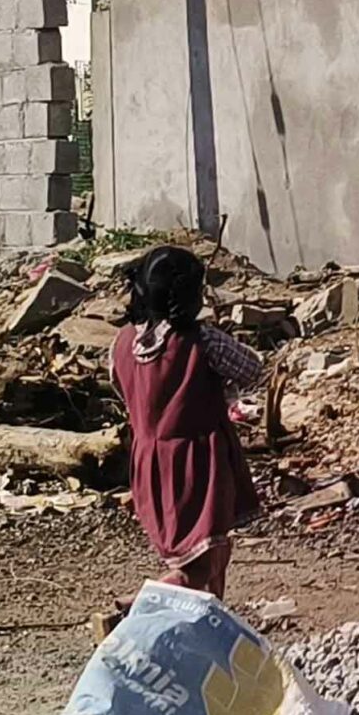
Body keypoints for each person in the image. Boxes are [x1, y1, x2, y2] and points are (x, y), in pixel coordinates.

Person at [111, 246, 265, 599]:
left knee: (212, 548)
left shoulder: (120, 344)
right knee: (197, 567)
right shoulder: (200, 340)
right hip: (198, 463)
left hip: (149, 462)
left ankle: (208, 623)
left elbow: (127, 391)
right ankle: (133, 610)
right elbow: (253, 370)